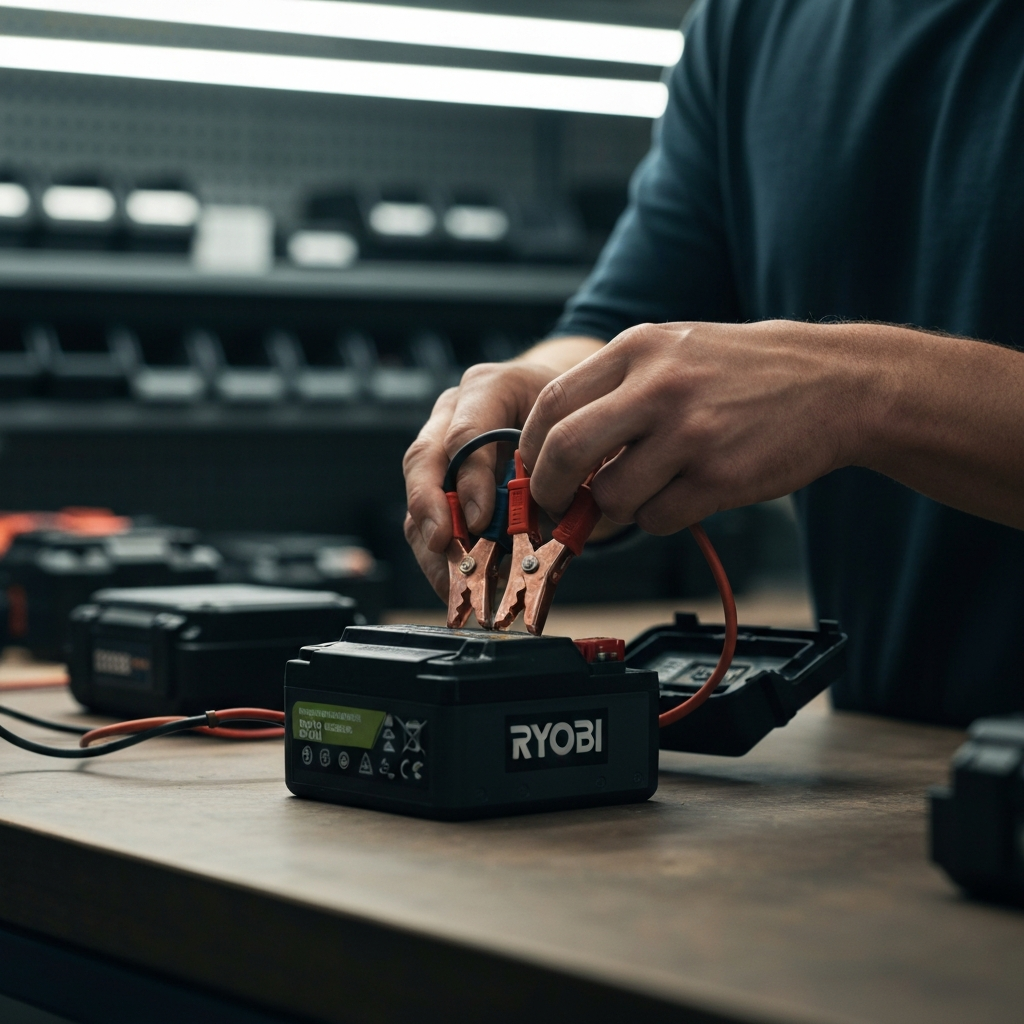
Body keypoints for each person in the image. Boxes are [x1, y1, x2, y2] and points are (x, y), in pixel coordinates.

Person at [403, 0, 1024, 727]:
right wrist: (540, 398)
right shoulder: (751, 25)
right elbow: (624, 324)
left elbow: (837, 383)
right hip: (893, 761)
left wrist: (862, 392)